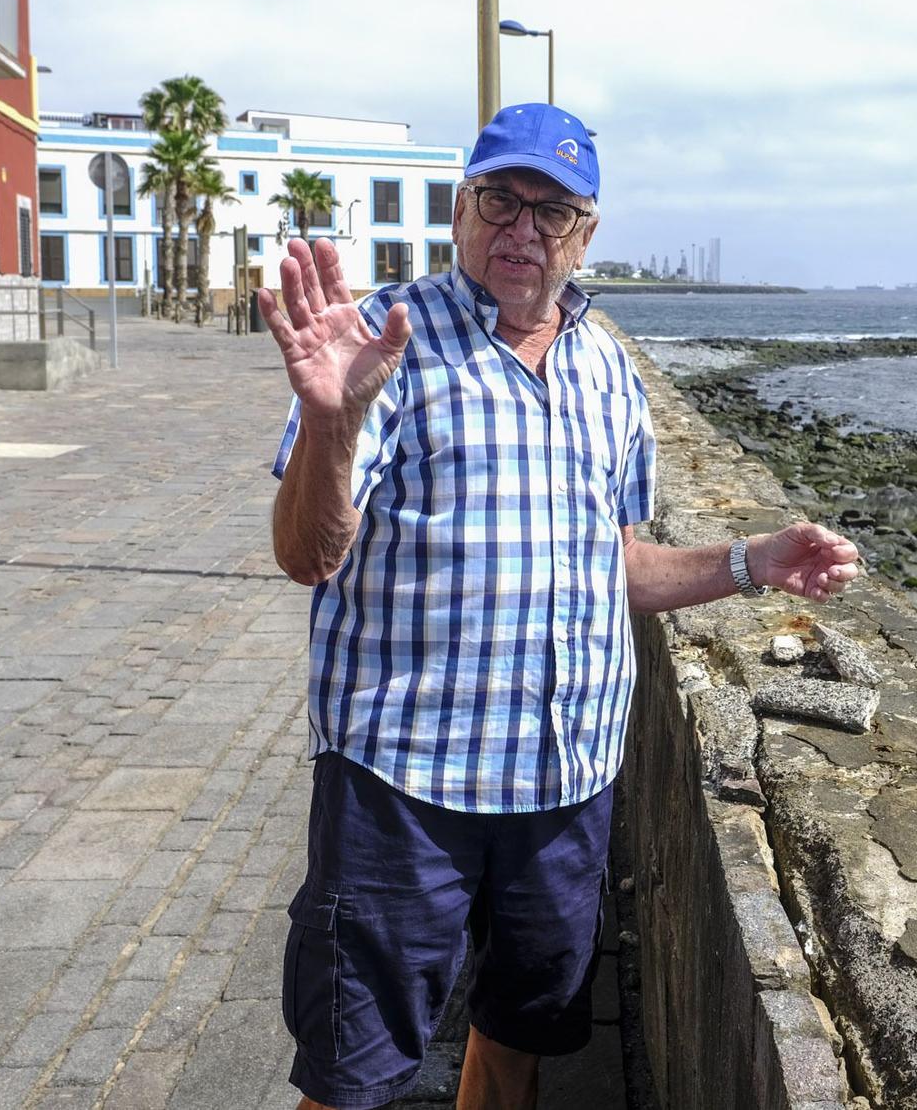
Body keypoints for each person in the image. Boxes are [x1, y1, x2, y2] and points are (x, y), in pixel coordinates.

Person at [258, 103, 860, 1110]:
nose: (521, 229)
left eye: (552, 211)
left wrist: (753, 560)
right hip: (401, 786)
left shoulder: (606, 372)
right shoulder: (383, 344)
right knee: (350, 1073)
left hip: (565, 781)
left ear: (586, 234)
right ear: (463, 207)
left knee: (518, 1038)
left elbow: (613, 565)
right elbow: (306, 554)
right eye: (501, 198)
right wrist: (331, 423)